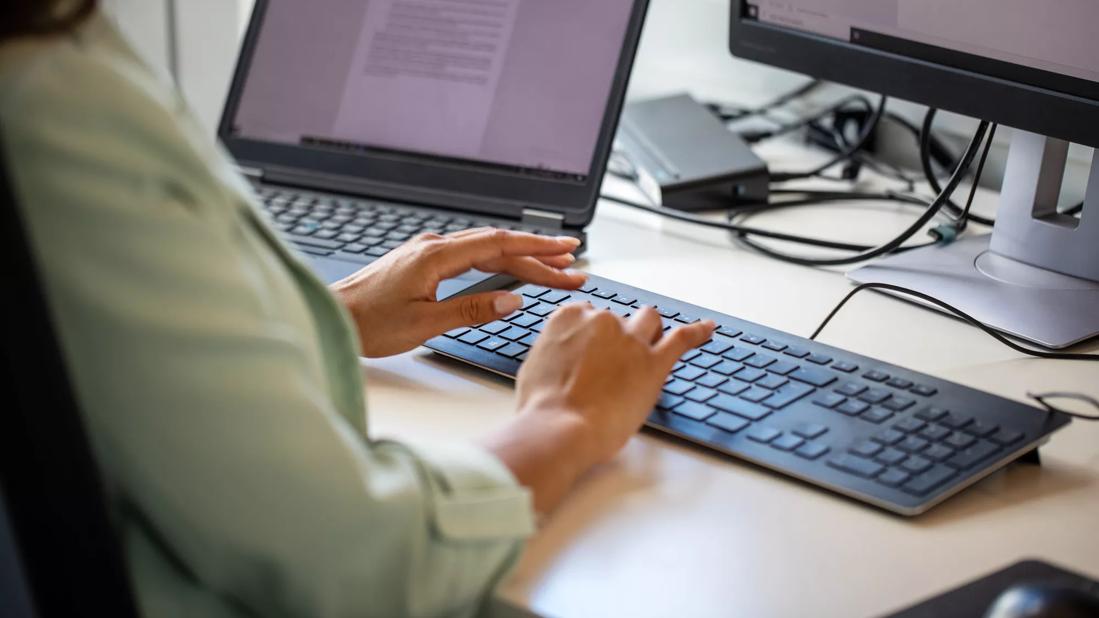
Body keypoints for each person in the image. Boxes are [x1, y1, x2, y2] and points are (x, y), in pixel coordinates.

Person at [0, 2, 715, 616]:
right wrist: (566, 420)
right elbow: (356, 562)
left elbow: (95, 361)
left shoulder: (53, 56)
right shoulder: (55, 110)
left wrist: (323, 318)